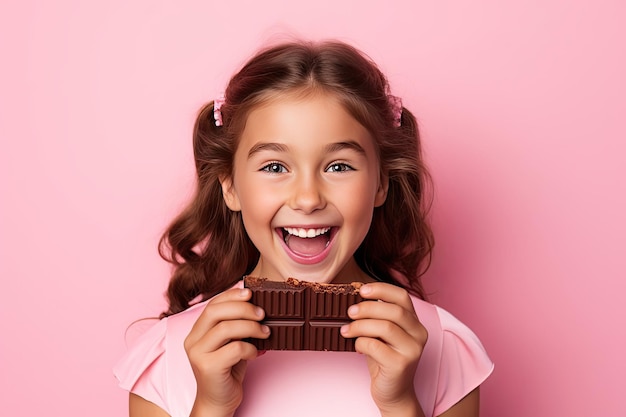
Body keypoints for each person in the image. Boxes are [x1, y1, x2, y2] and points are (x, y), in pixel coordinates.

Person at [114, 39, 493, 417]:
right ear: (229, 186)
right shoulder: (166, 361)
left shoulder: (444, 350)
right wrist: (212, 406)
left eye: (339, 166)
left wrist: (400, 406)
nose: (308, 198)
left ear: (381, 183)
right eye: (275, 167)